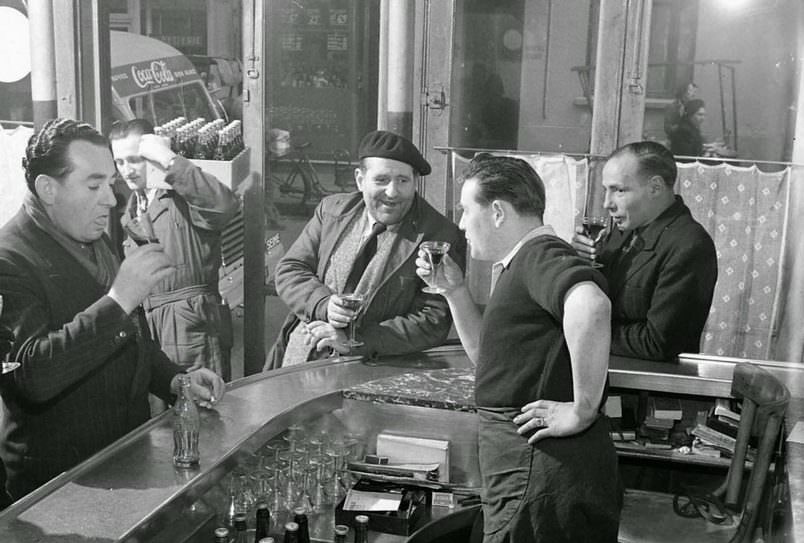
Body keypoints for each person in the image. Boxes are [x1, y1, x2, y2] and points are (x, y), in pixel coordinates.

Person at [417, 154, 623, 543]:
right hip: (525, 467)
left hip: (544, 471)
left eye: (466, 208)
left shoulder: (541, 256)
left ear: (499, 211)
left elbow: (592, 307)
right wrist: (454, 290)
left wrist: (582, 407)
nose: (461, 221)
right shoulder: (517, 268)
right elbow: (491, 363)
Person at [0, 118, 225, 501]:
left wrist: (173, 379)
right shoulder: (10, 259)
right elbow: (32, 377)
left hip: (125, 455)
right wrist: (120, 298)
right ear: (47, 189)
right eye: (94, 185)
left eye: (110, 182)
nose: (110, 198)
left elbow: (129, 335)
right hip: (63, 486)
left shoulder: (91, 236)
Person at [266, 129, 466, 367]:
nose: (392, 192)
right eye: (381, 180)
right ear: (360, 180)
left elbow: (432, 321)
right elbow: (290, 269)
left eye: (403, 181)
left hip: (376, 368)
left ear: (415, 183)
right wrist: (322, 304)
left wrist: (356, 341)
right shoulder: (331, 210)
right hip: (303, 356)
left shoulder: (439, 236)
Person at [110, 119, 239, 379]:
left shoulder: (183, 195)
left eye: (135, 159)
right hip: (151, 327)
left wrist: (171, 161)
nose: (127, 170)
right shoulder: (132, 209)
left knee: (203, 409)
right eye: (120, 162)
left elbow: (224, 206)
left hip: (192, 328)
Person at [573, 141, 718, 361]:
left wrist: (580, 330)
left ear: (655, 188)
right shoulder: (624, 230)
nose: (606, 204)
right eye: (606, 191)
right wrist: (579, 262)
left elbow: (658, 342)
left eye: (619, 190)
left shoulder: (690, 245)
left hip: (651, 391)